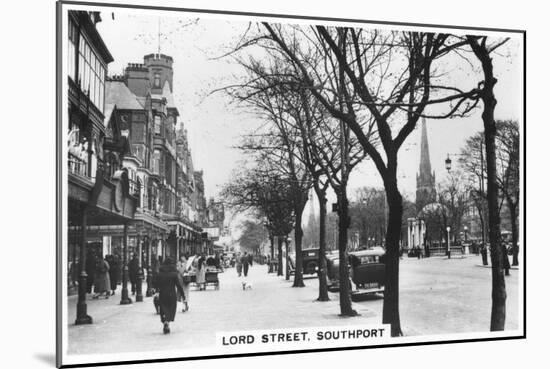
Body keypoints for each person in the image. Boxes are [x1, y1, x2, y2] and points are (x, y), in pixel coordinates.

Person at [154, 258, 185, 334]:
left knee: (163, 309)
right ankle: (167, 321)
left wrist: (156, 290)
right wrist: (183, 295)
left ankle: (165, 321)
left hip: (163, 294)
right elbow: (178, 285)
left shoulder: (160, 274)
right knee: (171, 309)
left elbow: (155, 284)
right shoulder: (174, 274)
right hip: (171, 294)